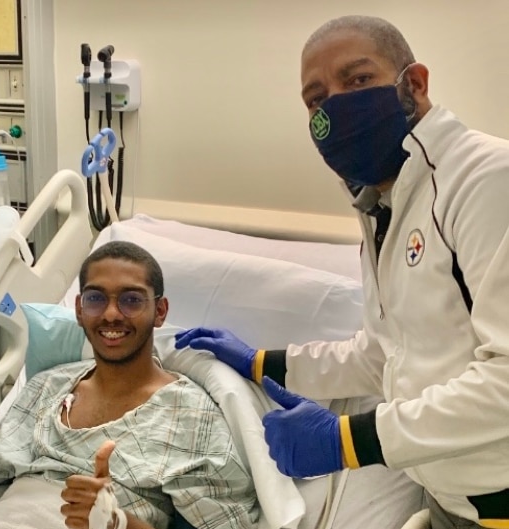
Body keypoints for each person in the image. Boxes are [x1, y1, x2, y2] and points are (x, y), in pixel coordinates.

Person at [176, 15, 509, 529]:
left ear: (414, 84)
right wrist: (262, 362)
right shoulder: (387, 206)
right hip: (454, 502)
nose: (333, 107)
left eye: (357, 81)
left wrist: (348, 439)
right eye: (315, 99)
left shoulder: (486, 181)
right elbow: (383, 354)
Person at [0, 241, 258, 529]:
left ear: (160, 311)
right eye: (96, 298)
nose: (111, 314)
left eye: (131, 299)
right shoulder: (47, 386)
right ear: (78, 309)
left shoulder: (191, 415)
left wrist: (118, 522)